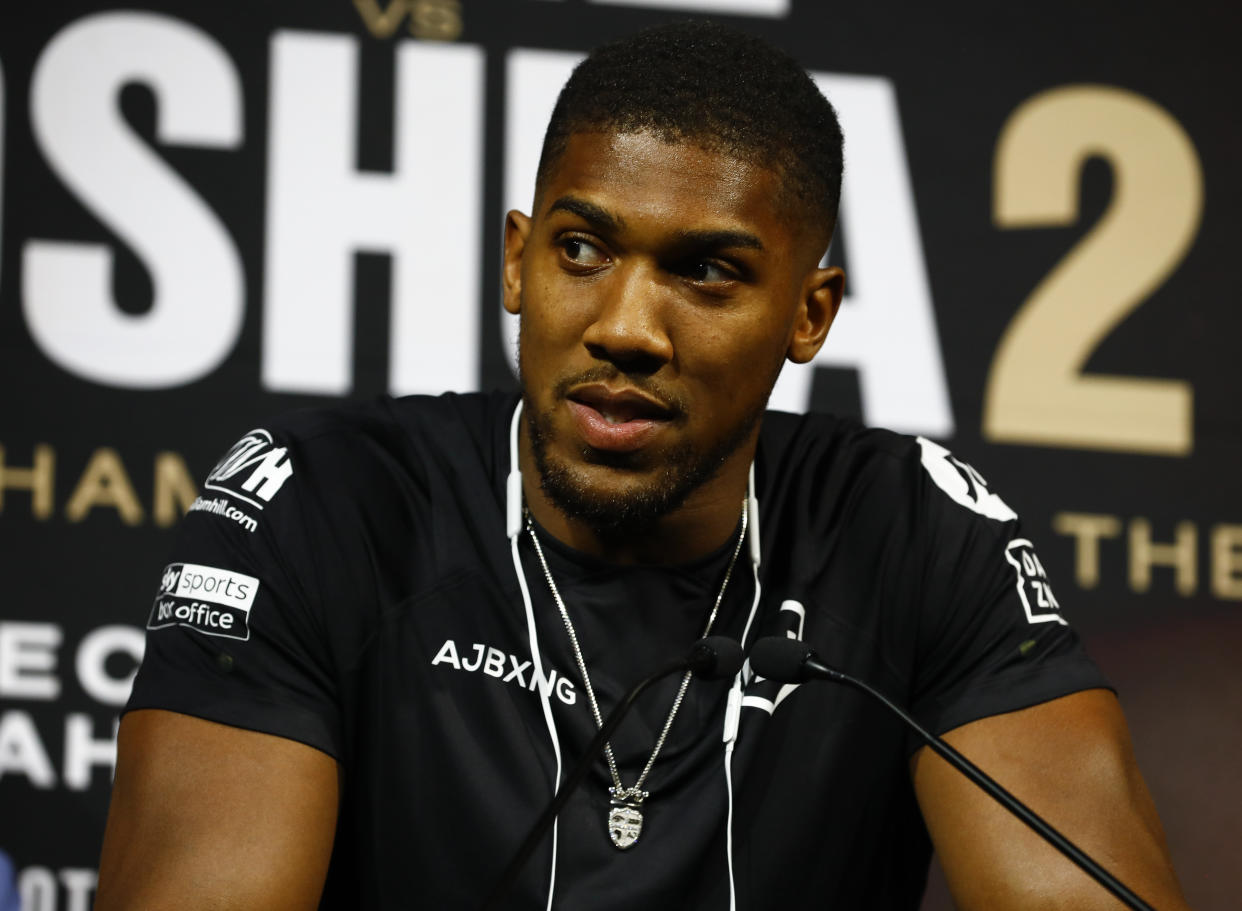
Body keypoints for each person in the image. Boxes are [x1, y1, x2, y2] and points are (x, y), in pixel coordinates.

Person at [96, 20, 1189, 911]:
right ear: (517, 261)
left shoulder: (914, 532)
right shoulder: (321, 506)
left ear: (810, 314)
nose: (626, 326)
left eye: (707, 271)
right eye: (582, 249)